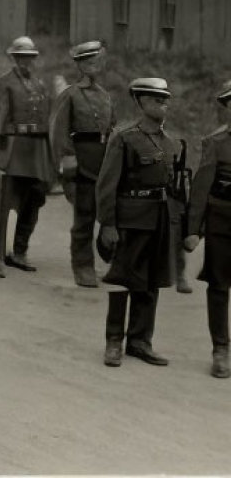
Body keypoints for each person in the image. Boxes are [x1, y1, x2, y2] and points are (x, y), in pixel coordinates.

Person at [96, 78, 180, 368]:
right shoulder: (124, 137)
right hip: (130, 219)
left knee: (151, 281)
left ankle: (140, 341)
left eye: (165, 100)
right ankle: (114, 341)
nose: (163, 105)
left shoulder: (169, 142)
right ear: (142, 102)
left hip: (159, 218)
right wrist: (108, 224)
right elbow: (106, 185)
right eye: (157, 100)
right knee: (122, 280)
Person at [49, 41, 116, 287]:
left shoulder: (105, 96)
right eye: (87, 62)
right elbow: (59, 131)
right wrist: (68, 163)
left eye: (96, 61)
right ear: (78, 65)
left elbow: (112, 129)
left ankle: (110, 258)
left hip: (104, 160)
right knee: (85, 215)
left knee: (110, 212)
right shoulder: (70, 94)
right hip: (82, 158)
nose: (93, 66)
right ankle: (83, 266)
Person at [0, 37, 55, 273]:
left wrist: (49, 155)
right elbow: (1, 117)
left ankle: (19, 251)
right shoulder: (4, 82)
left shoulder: (40, 84)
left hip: (37, 148)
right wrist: (0, 153)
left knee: (34, 200)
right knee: (6, 203)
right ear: (14, 58)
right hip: (14, 147)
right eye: (21, 57)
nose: (25, 61)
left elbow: (48, 119)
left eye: (29, 57)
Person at [185, 79, 231, 379]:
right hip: (222, 222)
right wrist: (193, 229)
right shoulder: (215, 142)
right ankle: (221, 350)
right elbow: (200, 190)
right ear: (227, 108)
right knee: (219, 287)